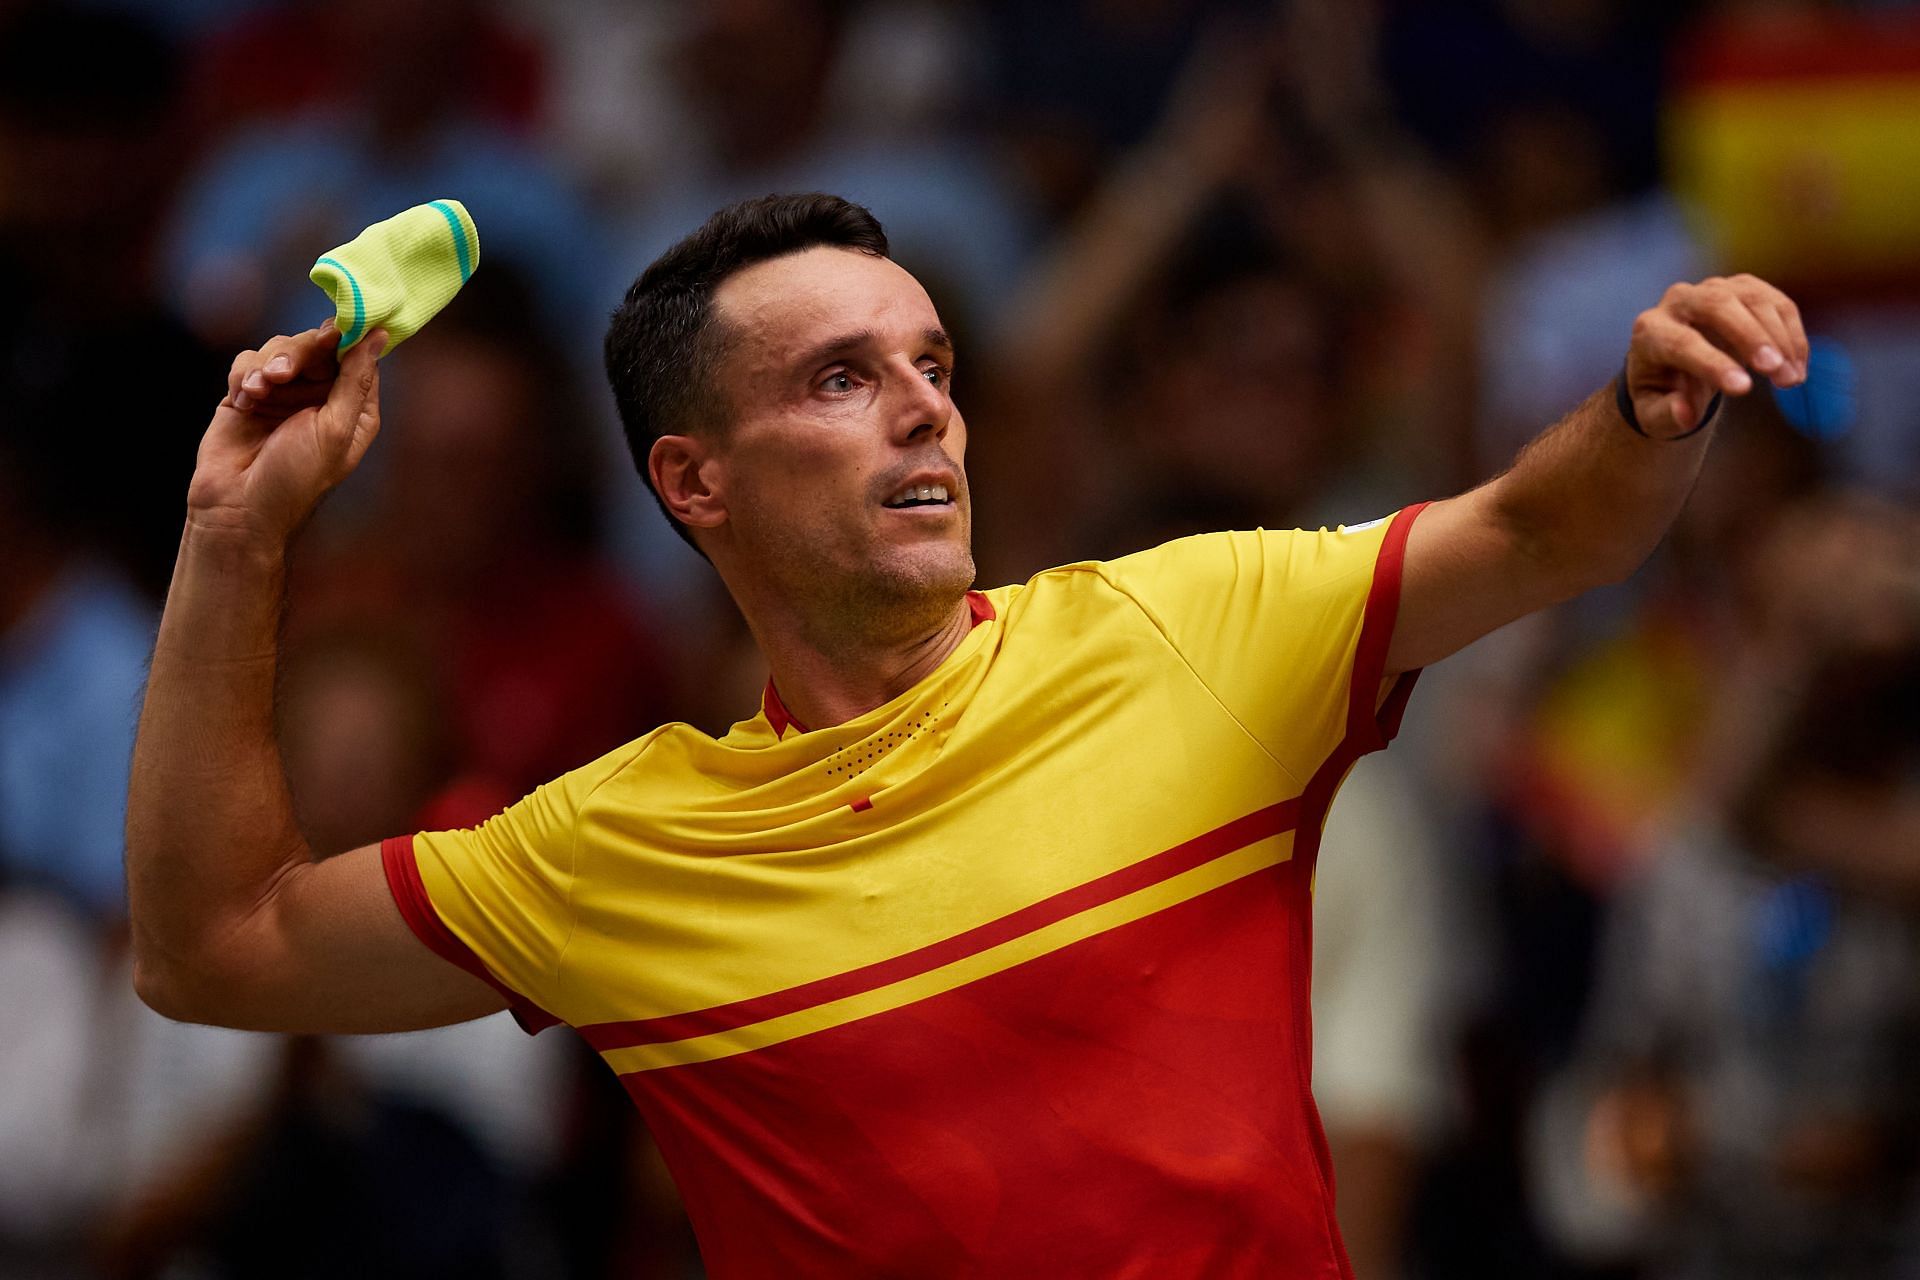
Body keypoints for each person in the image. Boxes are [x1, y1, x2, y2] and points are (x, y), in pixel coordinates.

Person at [127, 193, 1809, 1278]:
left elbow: (1537, 533)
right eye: (842, 378)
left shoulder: (1186, 630)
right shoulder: (614, 846)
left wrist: (1643, 405)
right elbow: (214, 949)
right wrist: (235, 539)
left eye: (930, 360)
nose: (929, 400)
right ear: (693, 482)